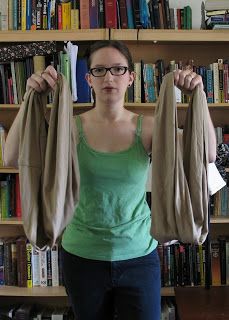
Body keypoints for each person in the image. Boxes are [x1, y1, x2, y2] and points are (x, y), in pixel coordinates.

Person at [4, 40, 216, 320]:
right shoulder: (70, 128)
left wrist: (197, 96)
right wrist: (29, 96)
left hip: (139, 256)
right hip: (82, 257)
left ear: (131, 77)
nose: (109, 77)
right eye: (100, 70)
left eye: (118, 69)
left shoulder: (148, 128)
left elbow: (208, 153)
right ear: (88, 78)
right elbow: (11, 156)